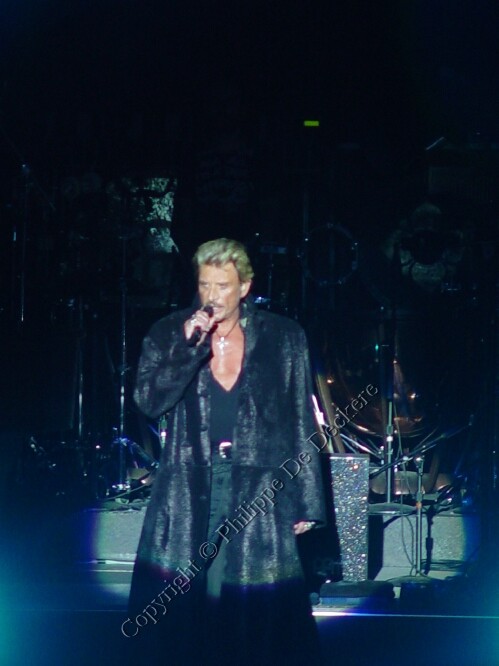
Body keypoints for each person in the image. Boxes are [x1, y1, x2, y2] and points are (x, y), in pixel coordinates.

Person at [126, 238, 327, 666]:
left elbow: (300, 419)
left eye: (223, 286)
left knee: (252, 605)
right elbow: (148, 402)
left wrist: (306, 500)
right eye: (205, 285)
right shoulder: (169, 333)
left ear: (245, 287)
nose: (212, 296)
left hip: (259, 484)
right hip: (189, 482)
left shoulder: (284, 337)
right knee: (185, 599)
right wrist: (187, 349)